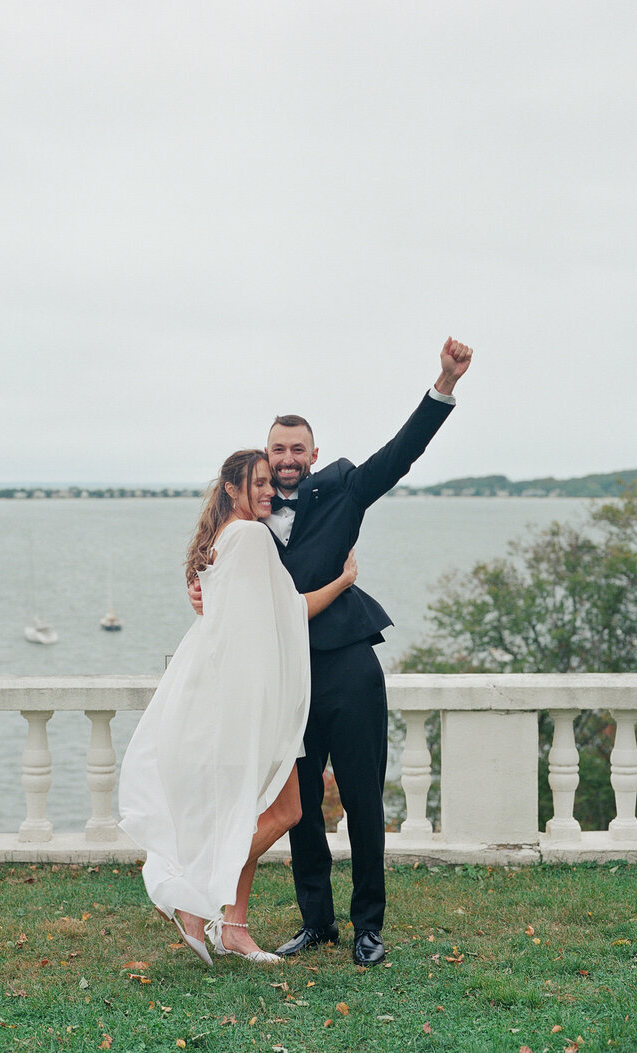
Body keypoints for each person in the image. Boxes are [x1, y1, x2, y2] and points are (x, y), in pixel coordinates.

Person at [189, 335, 473, 966]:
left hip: (347, 667)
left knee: (364, 798)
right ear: (265, 456)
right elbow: (214, 557)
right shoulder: (249, 508)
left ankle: (368, 926)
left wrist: (443, 385)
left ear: (312, 454)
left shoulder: (343, 487)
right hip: (283, 678)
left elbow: (399, 457)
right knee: (298, 809)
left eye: (297, 449)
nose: (286, 460)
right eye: (277, 450)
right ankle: (316, 922)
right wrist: (198, 591)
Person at [119, 449, 358, 966]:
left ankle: (234, 927)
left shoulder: (224, 537)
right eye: (259, 483)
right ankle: (193, 901)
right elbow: (289, 612)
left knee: (254, 811)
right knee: (290, 809)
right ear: (231, 488)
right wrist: (343, 582)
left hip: (230, 693)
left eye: (271, 483)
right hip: (251, 700)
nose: (270, 491)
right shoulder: (250, 537)